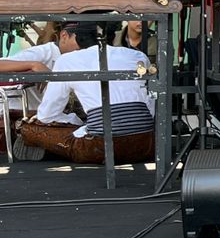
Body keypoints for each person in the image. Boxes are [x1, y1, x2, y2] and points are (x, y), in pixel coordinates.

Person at [16, 20, 156, 163]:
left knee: (28, 128)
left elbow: (47, 115)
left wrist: (74, 120)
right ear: (113, 37)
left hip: (100, 149)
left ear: (77, 38)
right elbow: (150, 102)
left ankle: (49, 148)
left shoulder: (66, 61)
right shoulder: (138, 56)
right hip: (147, 145)